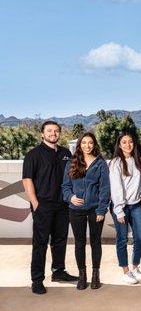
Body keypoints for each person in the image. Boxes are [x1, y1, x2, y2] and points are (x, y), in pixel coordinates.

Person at [23, 120, 78, 294]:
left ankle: (59, 272)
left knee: (60, 240)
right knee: (40, 243)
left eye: (56, 131)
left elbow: (72, 176)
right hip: (43, 205)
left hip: (62, 204)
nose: (53, 133)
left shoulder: (66, 153)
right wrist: (35, 204)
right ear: (42, 133)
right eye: (49, 131)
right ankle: (37, 280)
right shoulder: (33, 154)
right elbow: (27, 180)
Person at [62, 132, 110, 290]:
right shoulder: (71, 163)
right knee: (79, 243)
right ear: (79, 145)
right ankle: (82, 276)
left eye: (90, 143)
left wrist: (102, 210)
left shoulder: (100, 164)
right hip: (75, 210)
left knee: (95, 243)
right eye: (84, 143)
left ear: (94, 144)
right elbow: (65, 186)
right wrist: (70, 197)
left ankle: (96, 275)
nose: (87, 146)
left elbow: (104, 189)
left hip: (95, 210)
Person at [109, 132, 141, 285]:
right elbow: (116, 188)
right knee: (123, 238)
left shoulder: (138, 162)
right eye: (124, 142)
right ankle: (125, 272)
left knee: (139, 237)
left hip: (136, 205)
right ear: (119, 145)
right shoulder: (115, 163)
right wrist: (118, 210)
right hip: (121, 207)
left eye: (130, 142)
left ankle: (135, 268)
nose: (127, 145)